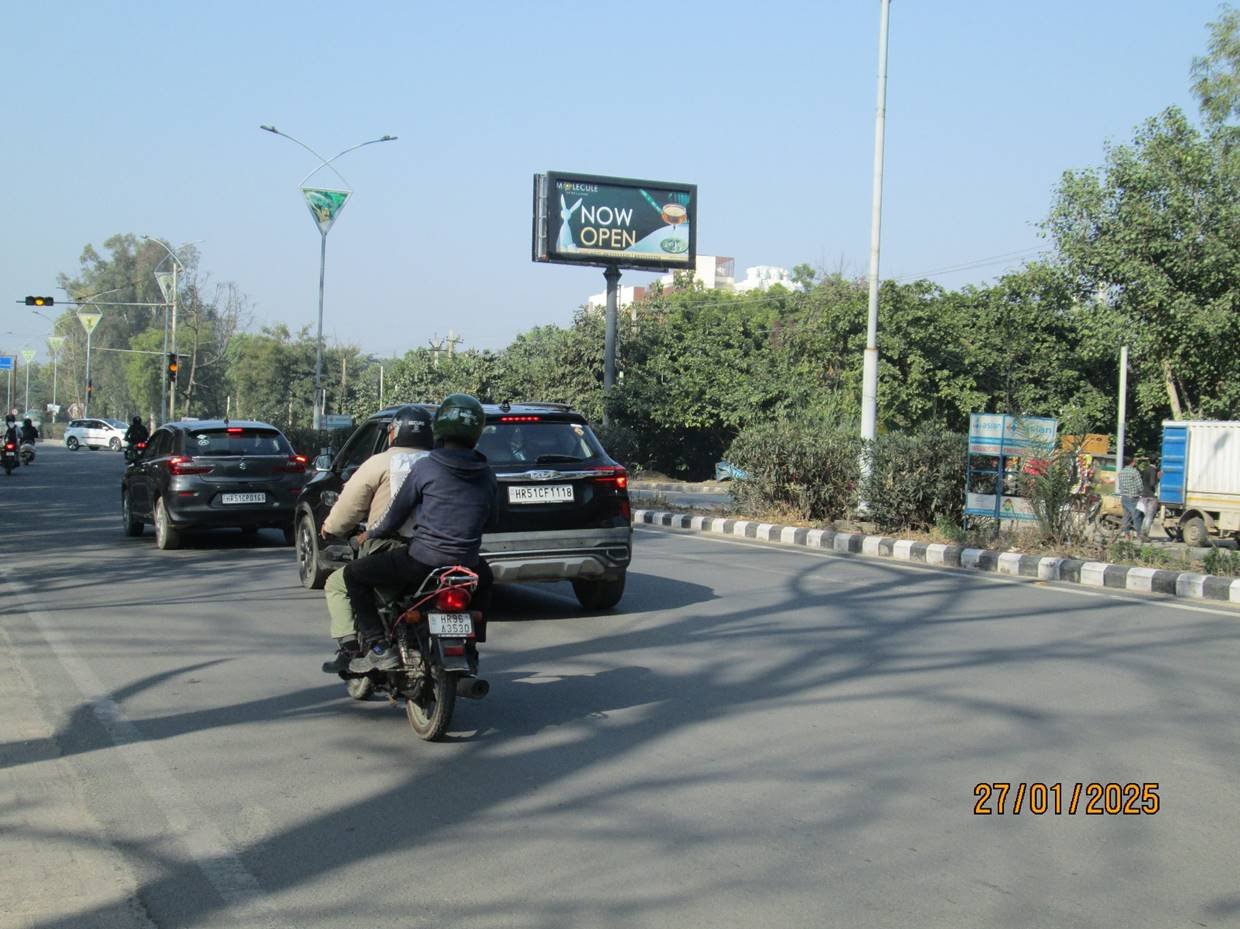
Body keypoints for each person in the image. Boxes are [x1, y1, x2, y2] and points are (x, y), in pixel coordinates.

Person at [342, 393, 496, 673]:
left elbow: (394, 516)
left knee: (353, 575)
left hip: (421, 562)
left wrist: (369, 534)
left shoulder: (426, 467)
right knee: (486, 580)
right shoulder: (487, 473)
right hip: (468, 564)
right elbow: (492, 519)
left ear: (439, 429)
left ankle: (378, 647)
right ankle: (471, 644)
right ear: (477, 433)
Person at [320, 406, 434, 673]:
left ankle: (362, 648)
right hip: (440, 551)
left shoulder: (380, 462)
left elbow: (350, 505)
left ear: (393, 433)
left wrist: (331, 527)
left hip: (392, 550)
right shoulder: (441, 463)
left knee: (339, 583)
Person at [1117, 456, 1144, 537]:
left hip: (1124, 497)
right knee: (1136, 516)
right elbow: (1140, 486)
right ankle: (1139, 534)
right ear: (1132, 462)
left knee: (1126, 516)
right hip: (1133, 497)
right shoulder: (1134, 472)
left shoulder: (1121, 472)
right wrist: (1141, 492)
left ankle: (1126, 534)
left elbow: (1120, 485)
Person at [1137, 456, 1160, 541]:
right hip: (1151, 496)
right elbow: (1152, 483)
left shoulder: (1146, 469)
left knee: (1146, 516)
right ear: (1156, 461)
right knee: (1149, 516)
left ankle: (1141, 534)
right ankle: (1144, 534)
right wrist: (1158, 479)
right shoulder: (1153, 470)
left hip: (1143, 495)